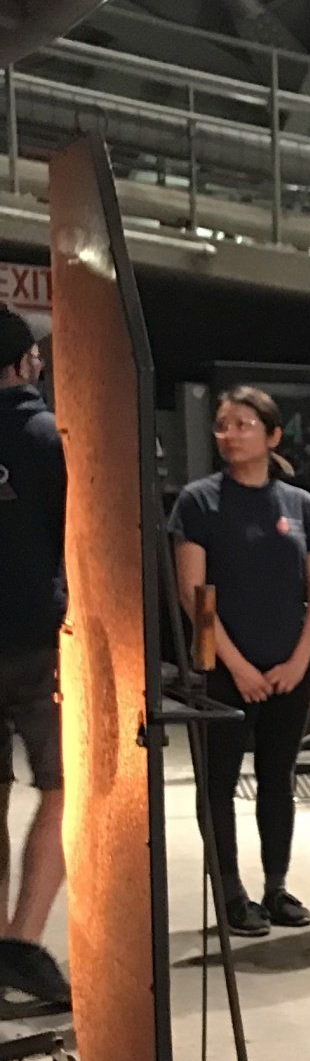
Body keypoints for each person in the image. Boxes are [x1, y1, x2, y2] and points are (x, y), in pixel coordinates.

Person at [170, 387, 310, 936]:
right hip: (222, 670)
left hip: (289, 668)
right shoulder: (198, 502)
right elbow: (194, 595)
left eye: (243, 424)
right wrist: (236, 667)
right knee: (218, 783)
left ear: (272, 435)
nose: (230, 434)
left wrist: (299, 660)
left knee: (277, 778)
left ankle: (276, 886)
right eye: (223, 425)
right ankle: (231, 893)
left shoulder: (299, 504)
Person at [0, 309, 70, 1014]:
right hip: (39, 643)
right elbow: (76, 538)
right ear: (24, 364)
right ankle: (23, 942)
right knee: (64, 787)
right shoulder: (48, 437)